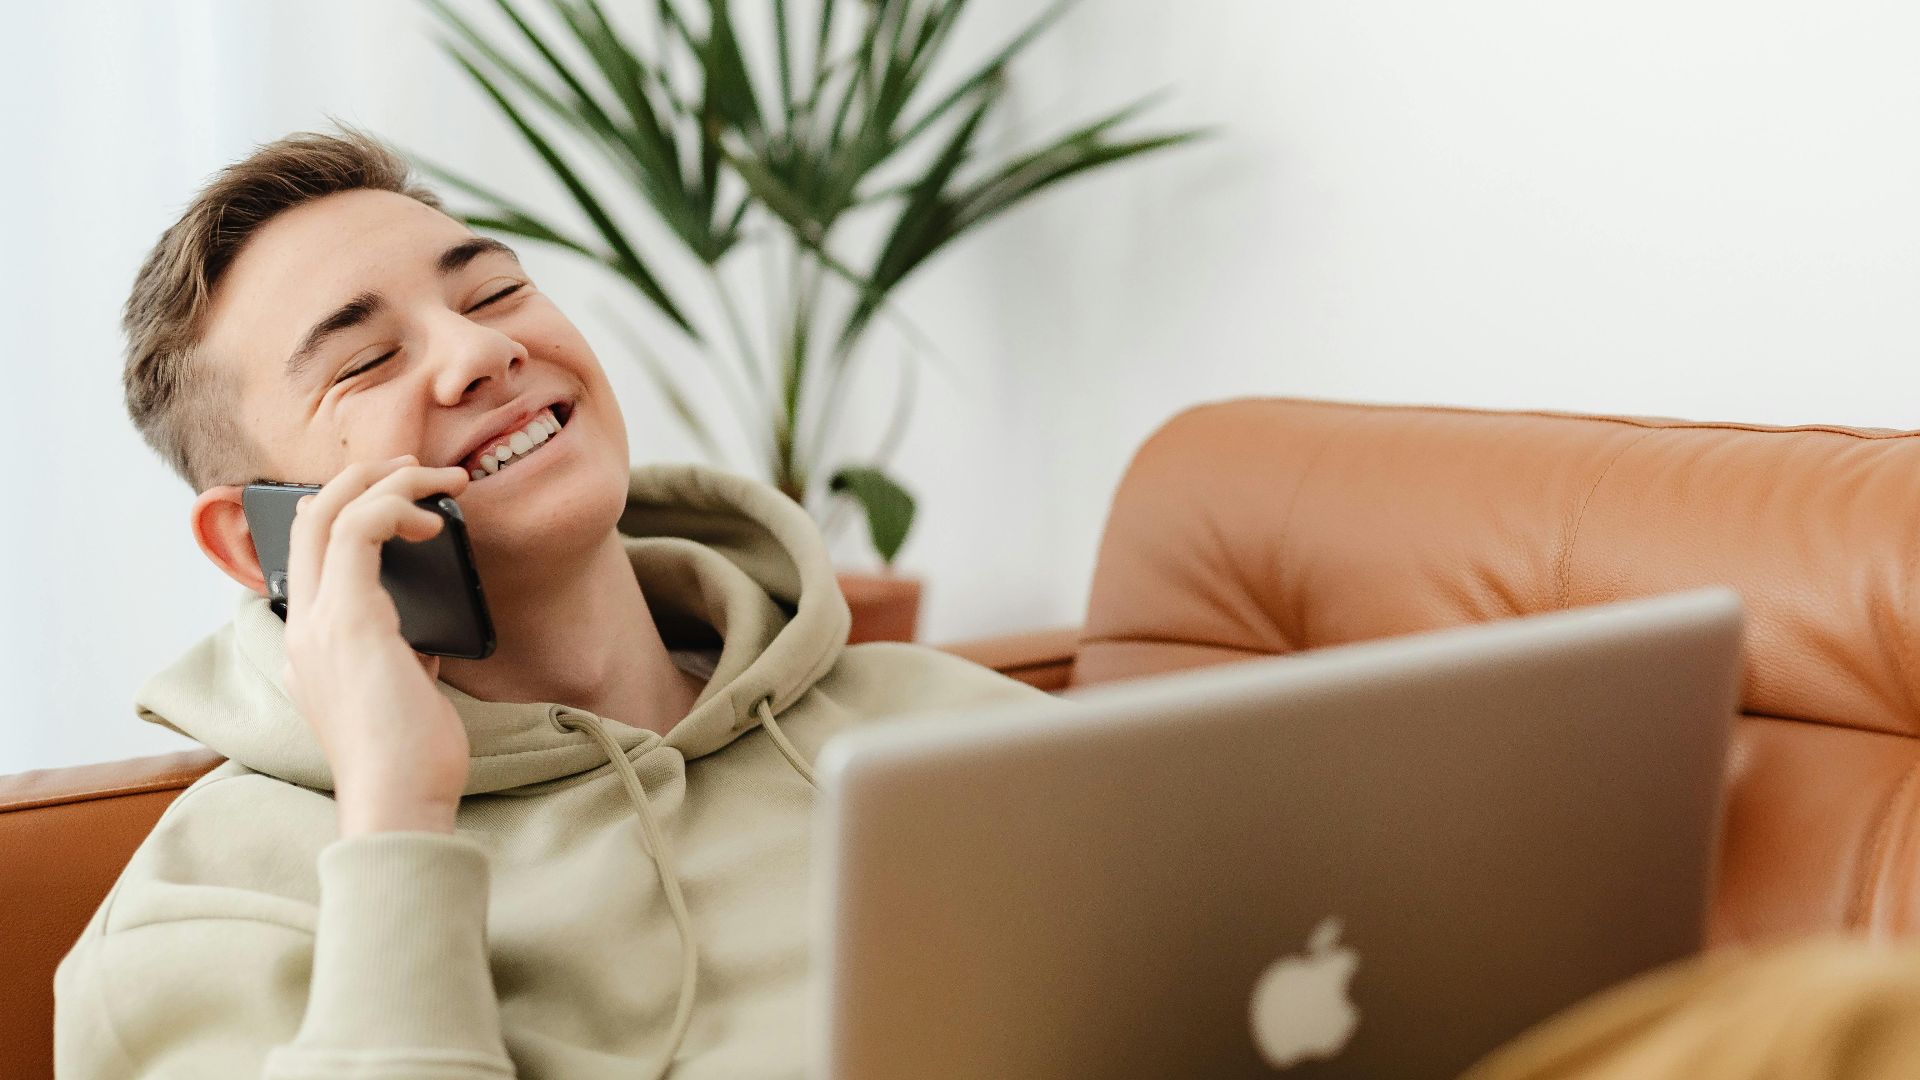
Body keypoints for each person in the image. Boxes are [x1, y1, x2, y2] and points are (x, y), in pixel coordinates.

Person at [55, 124, 1049, 1079]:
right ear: (253, 538)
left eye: (493, 292)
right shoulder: (198, 910)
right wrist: (399, 811)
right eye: (364, 360)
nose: (480, 351)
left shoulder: (946, 726)